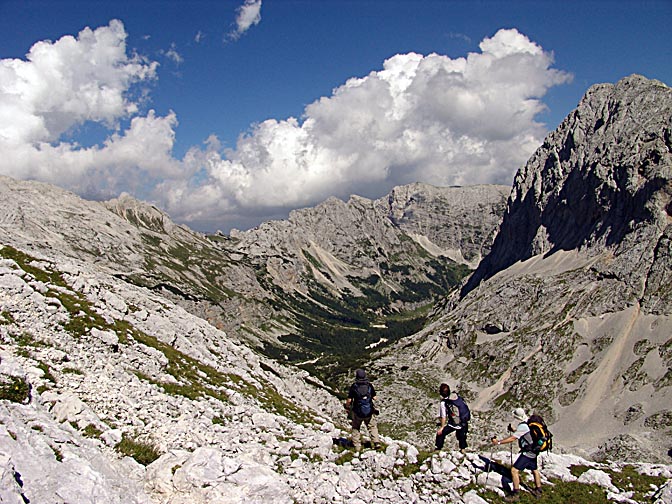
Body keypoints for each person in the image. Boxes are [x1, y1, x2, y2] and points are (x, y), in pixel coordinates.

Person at [491, 407, 543, 501]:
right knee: (534, 470)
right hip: (534, 451)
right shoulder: (529, 422)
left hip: (527, 453)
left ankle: (515, 494)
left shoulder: (523, 426)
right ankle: (538, 490)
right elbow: (526, 433)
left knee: (514, 470)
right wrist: (515, 430)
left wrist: (498, 442)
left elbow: (512, 439)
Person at [345, 369, 381, 451]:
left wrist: (347, 406)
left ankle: (357, 446)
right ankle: (376, 442)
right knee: (372, 427)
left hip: (357, 412)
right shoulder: (369, 385)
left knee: (356, 428)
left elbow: (349, 400)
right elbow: (375, 398)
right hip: (369, 412)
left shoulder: (354, 386)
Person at [435, 383, 470, 452]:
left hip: (454, 423)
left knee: (441, 433)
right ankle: (463, 450)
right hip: (463, 421)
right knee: (461, 436)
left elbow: (443, 416)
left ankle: (438, 449)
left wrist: (442, 427)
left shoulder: (444, 403)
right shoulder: (456, 396)